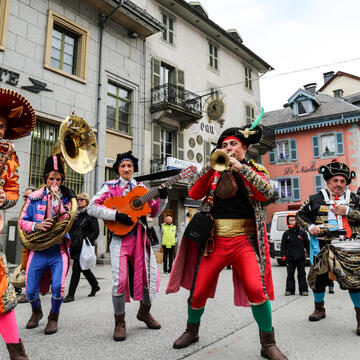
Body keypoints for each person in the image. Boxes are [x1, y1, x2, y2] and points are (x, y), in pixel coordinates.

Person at [167, 125, 288, 360]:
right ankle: (192, 331)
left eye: (232, 144)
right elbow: (193, 191)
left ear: (244, 147)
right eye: (223, 146)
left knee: (256, 289)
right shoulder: (215, 171)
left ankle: (268, 343)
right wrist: (211, 166)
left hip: (245, 241)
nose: (227, 148)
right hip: (215, 241)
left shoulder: (256, 169)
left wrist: (240, 169)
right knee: (198, 290)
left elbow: (266, 193)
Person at [87, 151, 168, 341]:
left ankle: (144, 312)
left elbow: (155, 212)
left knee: (148, 277)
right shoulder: (109, 187)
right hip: (120, 240)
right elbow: (91, 207)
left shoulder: (141, 188)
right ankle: (120, 322)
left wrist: (163, 198)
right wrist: (115, 215)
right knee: (120, 280)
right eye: (123, 166)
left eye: (130, 166)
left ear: (134, 169)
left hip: (140, 238)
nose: (126, 169)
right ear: (118, 169)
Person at [296, 161, 360, 335]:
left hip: (351, 247)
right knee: (319, 279)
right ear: (327, 182)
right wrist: (310, 228)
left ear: (346, 183)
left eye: (342, 181)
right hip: (323, 246)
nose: (338, 184)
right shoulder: (315, 199)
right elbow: (300, 215)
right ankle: (320, 309)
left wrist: (348, 212)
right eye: (335, 180)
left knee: (355, 282)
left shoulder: (355, 199)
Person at [18, 154, 76, 335]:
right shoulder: (33, 197)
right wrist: (36, 225)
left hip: (58, 250)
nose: (54, 182)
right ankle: (37, 312)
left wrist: (58, 202)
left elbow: (66, 219)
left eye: (58, 179)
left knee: (58, 287)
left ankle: (53, 317)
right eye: (51, 178)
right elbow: (22, 221)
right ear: (45, 179)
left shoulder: (66, 199)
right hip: (38, 250)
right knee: (30, 291)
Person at [0, 87, 36, 359]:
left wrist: (5, 199)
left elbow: (13, 192)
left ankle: (17, 353)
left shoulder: (10, 156)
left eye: (2, 126)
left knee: (2, 294)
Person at [63, 192, 100, 303]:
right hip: (74, 245)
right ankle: (95, 285)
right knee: (83, 268)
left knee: (76, 269)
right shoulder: (75, 214)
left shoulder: (90, 214)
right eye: (78, 200)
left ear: (87, 202)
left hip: (84, 246)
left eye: (82, 200)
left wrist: (86, 240)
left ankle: (70, 295)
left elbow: (96, 232)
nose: (79, 202)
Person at [280, 212, 309, 296]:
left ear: (297, 221)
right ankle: (289, 290)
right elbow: (283, 246)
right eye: (289, 220)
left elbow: (307, 245)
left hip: (300, 258)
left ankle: (303, 290)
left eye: (293, 220)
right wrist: (283, 255)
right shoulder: (286, 234)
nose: (291, 222)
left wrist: (311, 256)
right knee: (290, 275)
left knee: (302, 275)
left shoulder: (302, 233)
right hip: (290, 258)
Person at [17, 187, 36, 304]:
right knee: (26, 267)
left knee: (30, 269)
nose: (24, 198)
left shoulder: (34, 207)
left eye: (27, 196)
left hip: (33, 243)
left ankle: (28, 294)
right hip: (26, 243)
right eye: (24, 196)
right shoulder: (25, 207)